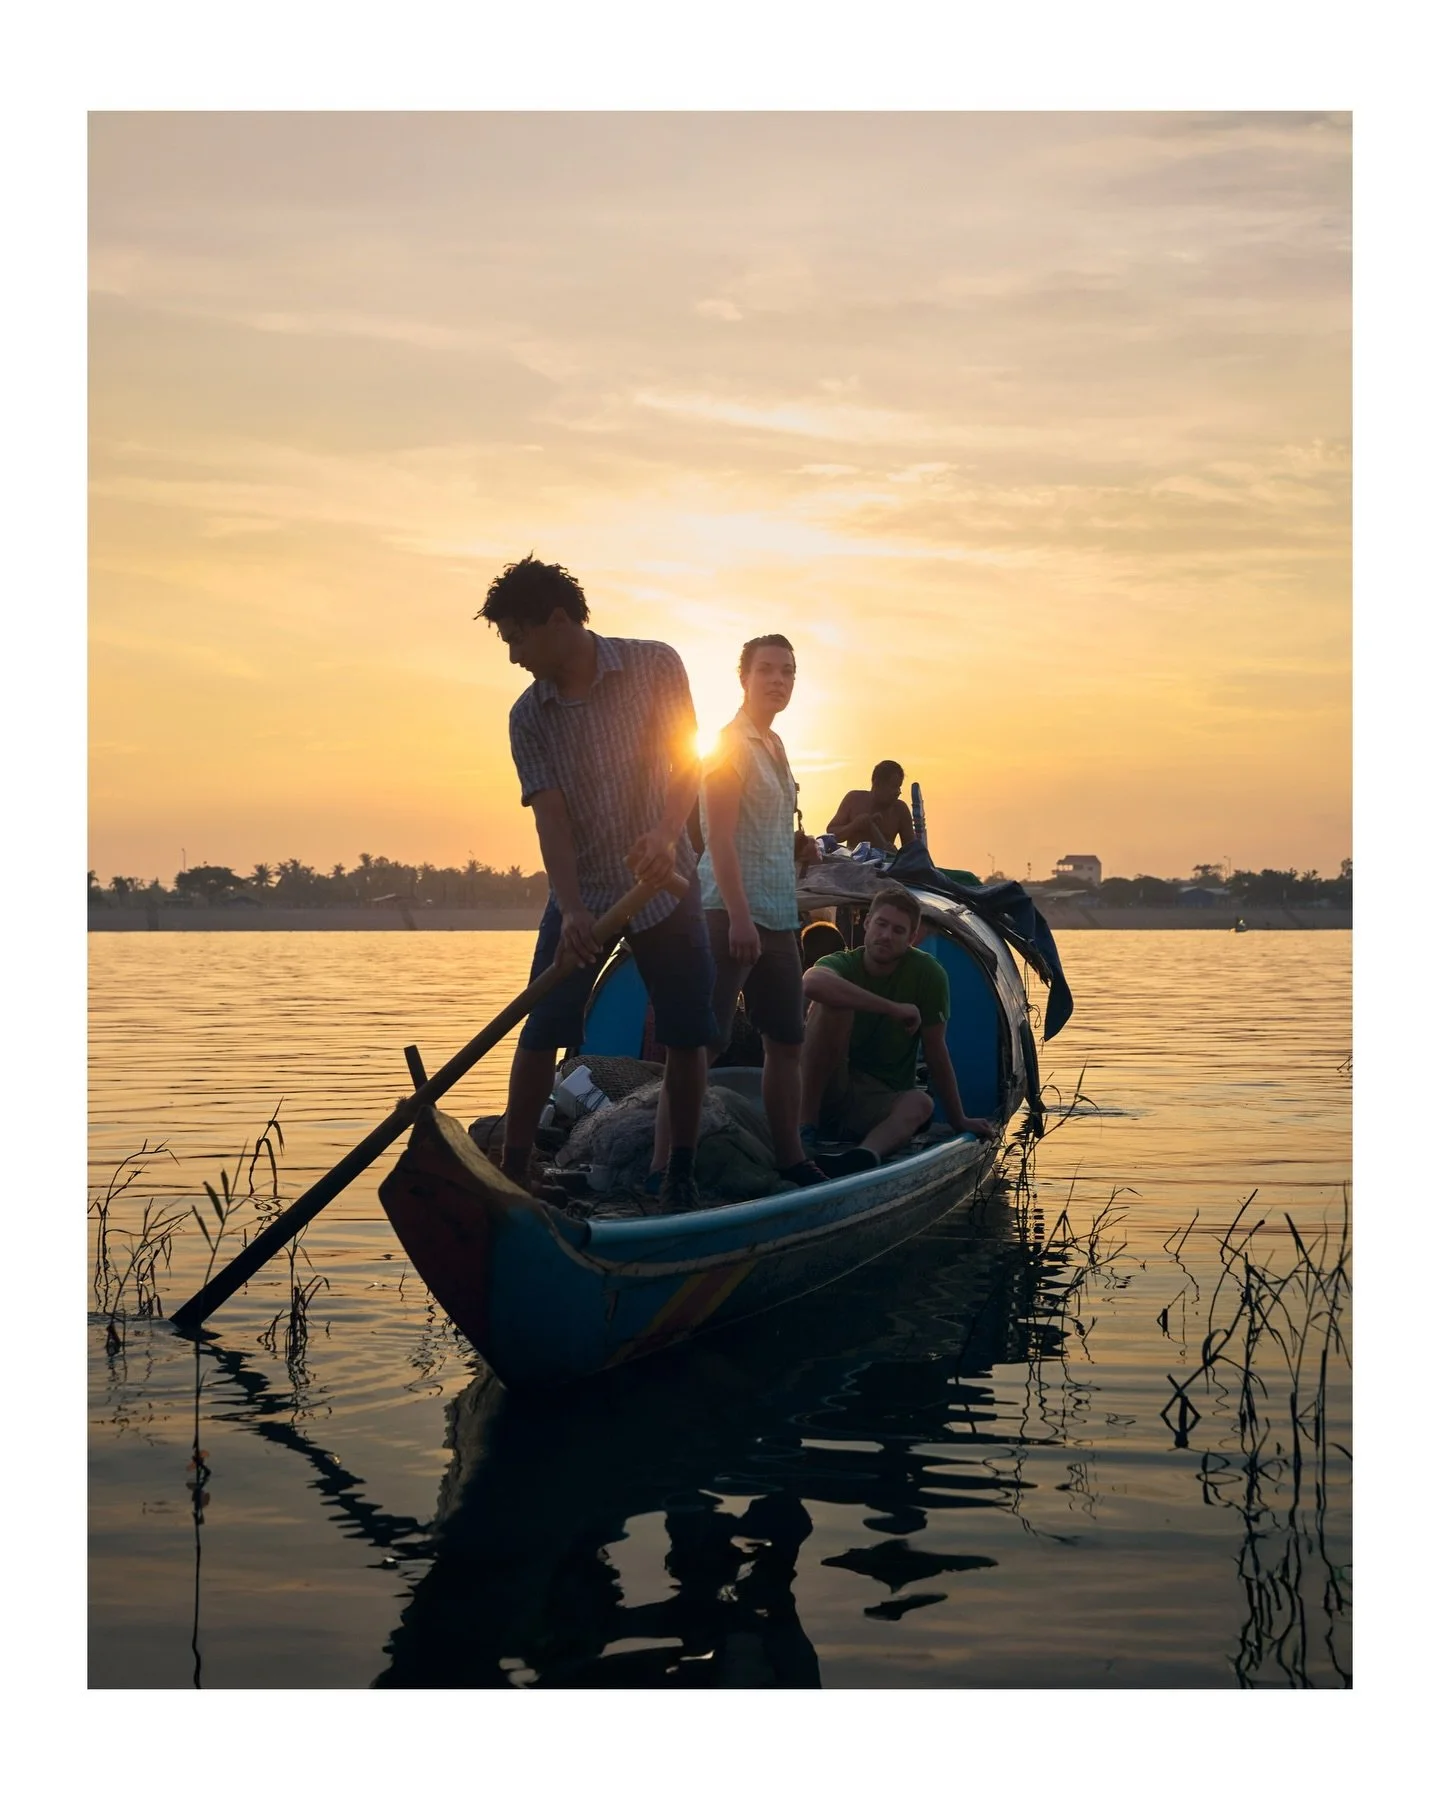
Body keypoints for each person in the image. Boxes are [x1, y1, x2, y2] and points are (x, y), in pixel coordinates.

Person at [476, 555, 716, 1212]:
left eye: (518, 638)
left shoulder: (655, 664)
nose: (514, 656)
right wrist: (574, 907)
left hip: (663, 883)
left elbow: (686, 761)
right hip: (582, 894)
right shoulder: (530, 716)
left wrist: (667, 833)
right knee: (541, 1025)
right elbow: (550, 816)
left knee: (687, 1033)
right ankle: (518, 1168)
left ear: (558, 622)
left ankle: (678, 1173)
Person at [696, 633, 826, 1187]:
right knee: (704, 1042)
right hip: (731, 914)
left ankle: (790, 1157)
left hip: (777, 916)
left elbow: (762, 830)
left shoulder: (773, 746)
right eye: (767, 670)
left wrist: (799, 846)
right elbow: (718, 840)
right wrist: (740, 915)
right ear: (743, 678)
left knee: (787, 1040)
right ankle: (669, 1161)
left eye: (788, 672)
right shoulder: (730, 745)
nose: (778, 680)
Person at [799, 884, 996, 1175]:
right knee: (833, 1005)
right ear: (866, 924)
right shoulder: (844, 964)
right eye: (881, 924)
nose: (886, 936)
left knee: (921, 1102)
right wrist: (892, 1008)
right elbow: (811, 982)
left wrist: (959, 1120)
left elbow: (936, 1051)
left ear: (912, 938)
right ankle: (806, 1128)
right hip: (828, 1086)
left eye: (898, 930)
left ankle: (865, 1155)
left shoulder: (928, 974)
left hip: (878, 1098)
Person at [827, 761, 915, 852]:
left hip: (885, 864)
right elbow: (831, 835)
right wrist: (855, 825)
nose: (898, 792)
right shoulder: (854, 800)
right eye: (893, 787)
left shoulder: (900, 809)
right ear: (877, 784)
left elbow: (912, 851)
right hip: (854, 863)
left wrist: (896, 854)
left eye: (899, 787)